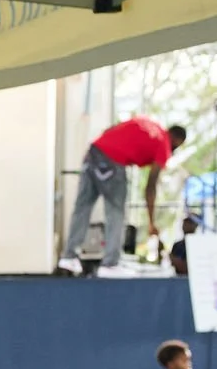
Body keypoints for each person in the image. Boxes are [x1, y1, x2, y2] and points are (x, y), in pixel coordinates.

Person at [57, 118, 186, 278]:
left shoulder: (148, 124)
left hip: (94, 152)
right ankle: (110, 263)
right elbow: (151, 186)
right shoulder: (164, 145)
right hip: (112, 162)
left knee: (82, 207)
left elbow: (110, 130)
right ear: (176, 140)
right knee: (116, 211)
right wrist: (151, 222)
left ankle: (69, 257)